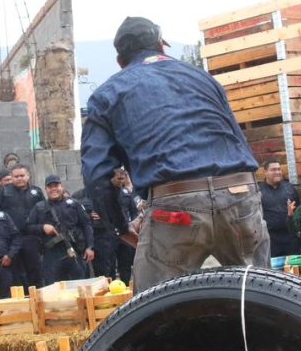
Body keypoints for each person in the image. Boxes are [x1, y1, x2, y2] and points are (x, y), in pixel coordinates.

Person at [81, 16, 269, 293]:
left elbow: (97, 175)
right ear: (161, 46)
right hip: (240, 194)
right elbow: (236, 140)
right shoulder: (203, 78)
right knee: (261, 298)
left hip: (175, 205)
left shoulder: (108, 93)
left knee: (152, 309)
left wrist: (120, 227)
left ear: (121, 61)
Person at [30, 175, 95, 284]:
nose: (53, 189)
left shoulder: (74, 204)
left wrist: (90, 247)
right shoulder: (39, 207)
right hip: (52, 255)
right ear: (46, 189)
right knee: (54, 288)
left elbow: (86, 225)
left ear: (62, 187)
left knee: (79, 286)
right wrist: (43, 227)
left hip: (74, 251)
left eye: (56, 185)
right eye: (50, 187)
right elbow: (28, 227)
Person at [0, 164, 46, 288]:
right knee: (16, 274)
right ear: (11, 177)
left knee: (35, 270)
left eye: (22, 175)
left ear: (28, 176)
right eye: (16, 176)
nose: (19, 178)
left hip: (32, 237)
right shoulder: (4, 192)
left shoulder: (36, 191)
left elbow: (43, 211)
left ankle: (38, 299)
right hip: (12, 239)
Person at [87, 167, 132, 280]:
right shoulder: (99, 193)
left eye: (123, 175)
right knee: (108, 269)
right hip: (105, 235)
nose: (120, 178)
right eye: (116, 175)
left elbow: (133, 212)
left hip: (124, 234)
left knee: (125, 267)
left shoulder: (127, 193)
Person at [258, 160, 301, 258]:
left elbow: (298, 210)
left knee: (294, 268)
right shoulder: (259, 191)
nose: (277, 172)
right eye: (273, 170)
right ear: (265, 172)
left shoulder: (289, 188)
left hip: (291, 237)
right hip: (271, 238)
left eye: (279, 169)